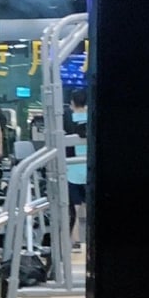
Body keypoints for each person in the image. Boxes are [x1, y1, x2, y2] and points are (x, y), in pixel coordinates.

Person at [65, 87, 88, 251]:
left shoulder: (67, 119)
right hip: (88, 168)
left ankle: (75, 240)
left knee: (74, 207)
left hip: (71, 168)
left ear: (72, 102)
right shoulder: (92, 118)